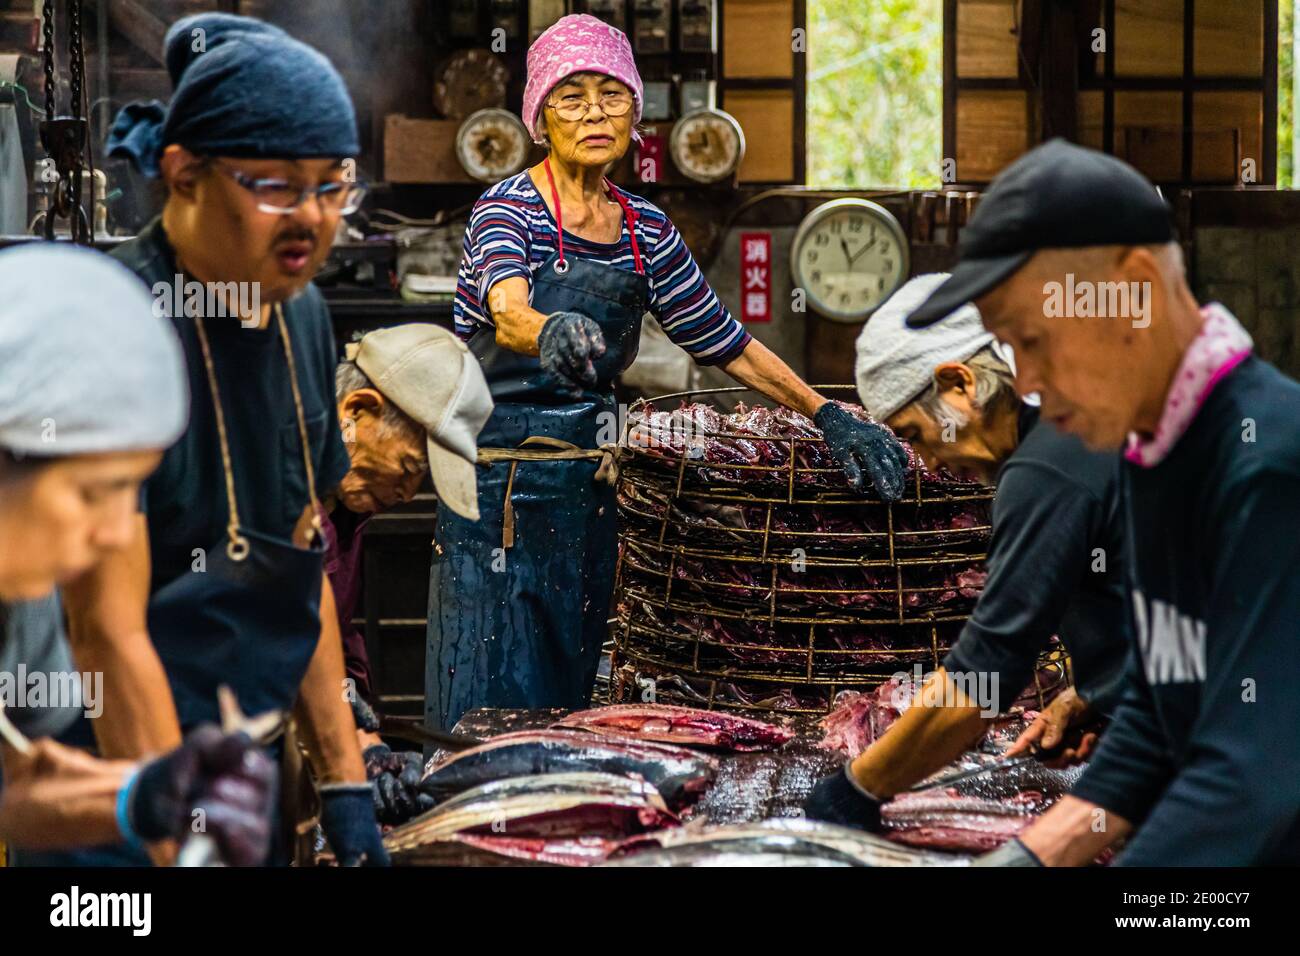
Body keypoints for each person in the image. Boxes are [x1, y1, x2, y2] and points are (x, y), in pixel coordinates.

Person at [431, 14, 910, 730]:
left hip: (589, 492)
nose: (594, 111)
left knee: (574, 704)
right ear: (538, 118)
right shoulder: (509, 208)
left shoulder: (645, 230)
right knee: (491, 702)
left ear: (636, 111)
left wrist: (826, 412)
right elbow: (507, 309)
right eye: (571, 96)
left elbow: (726, 342)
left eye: (612, 94)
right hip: (494, 490)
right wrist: (548, 329)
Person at [907, 138, 1300, 866]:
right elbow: (1157, 717)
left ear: (1134, 287)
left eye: (1032, 339)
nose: (1024, 379)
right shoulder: (1151, 456)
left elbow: (1249, 781)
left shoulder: (1268, 463)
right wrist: (1027, 860)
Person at [53, 13, 384, 865]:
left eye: (331, 185)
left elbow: (299, 562)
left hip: (246, 774)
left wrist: (345, 784)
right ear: (184, 174)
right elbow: (105, 633)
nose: (311, 218)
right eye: (274, 185)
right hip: (111, 783)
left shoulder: (302, 314)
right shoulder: (111, 329)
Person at [802, 273, 1129, 829]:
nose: (927, 463)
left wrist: (854, 792)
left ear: (960, 384)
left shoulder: (1045, 469)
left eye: (918, 432)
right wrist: (1095, 695)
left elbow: (986, 677)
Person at [0, 243, 274, 865]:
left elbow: (15, 788)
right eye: (96, 492)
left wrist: (148, 797)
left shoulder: (21, 608)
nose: (118, 532)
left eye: (135, 488)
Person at [326, 324, 491, 823]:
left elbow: (335, 633)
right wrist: (347, 742)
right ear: (358, 411)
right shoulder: (273, 487)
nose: (405, 494)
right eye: (408, 465)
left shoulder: (346, 513)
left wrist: (368, 742)